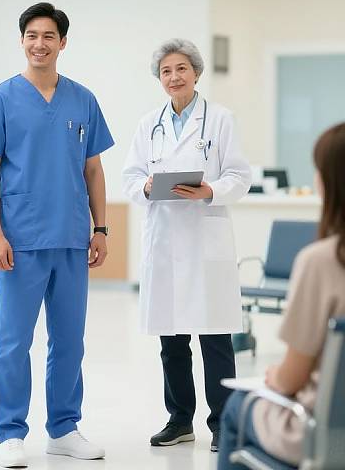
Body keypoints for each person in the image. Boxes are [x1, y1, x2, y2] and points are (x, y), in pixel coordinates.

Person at [0, 2, 114, 468]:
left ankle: (64, 429)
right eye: (31, 35)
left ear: (63, 43)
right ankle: (9, 431)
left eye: (48, 36)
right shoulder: (0, 99)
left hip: (71, 237)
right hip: (20, 240)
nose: (39, 43)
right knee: (13, 341)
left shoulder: (82, 99)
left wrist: (101, 228)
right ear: (22, 40)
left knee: (70, 340)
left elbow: (94, 169)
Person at [122, 38, 251, 452]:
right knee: (171, 340)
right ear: (159, 79)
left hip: (205, 236)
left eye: (180, 69)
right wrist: (144, 186)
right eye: (165, 72)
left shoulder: (221, 119)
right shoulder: (149, 124)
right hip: (164, 241)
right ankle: (180, 420)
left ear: (195, 72)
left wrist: (210, 190)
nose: (173, 77)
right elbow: (130, 177)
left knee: (215, 340)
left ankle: (223, 424)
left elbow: (239, 175)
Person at [217, 122, 345, 468]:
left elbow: (292, 378)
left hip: (325, 434)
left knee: (236, 408)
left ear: (329, 182)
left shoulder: (323, 261)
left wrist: (273, 377)